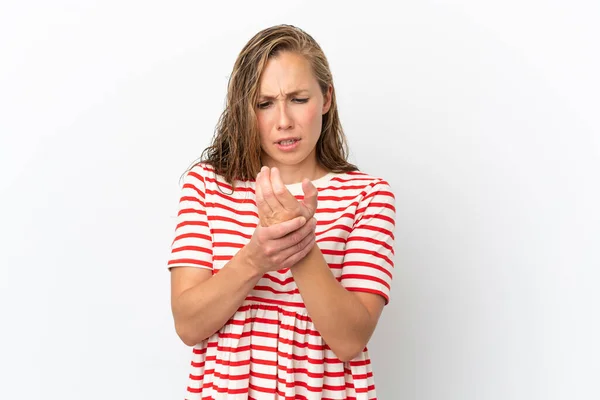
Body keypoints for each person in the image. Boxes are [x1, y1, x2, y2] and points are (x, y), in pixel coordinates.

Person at [167, 24, 396, 400]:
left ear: (325, 99)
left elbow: (350, 340)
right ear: (246, 109)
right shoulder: (207, 185)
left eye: (298, 99)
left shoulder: (368, 195)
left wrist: (300, 243)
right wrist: (255, 258)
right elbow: (189, 325)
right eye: (265, 103)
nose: (283, 120)